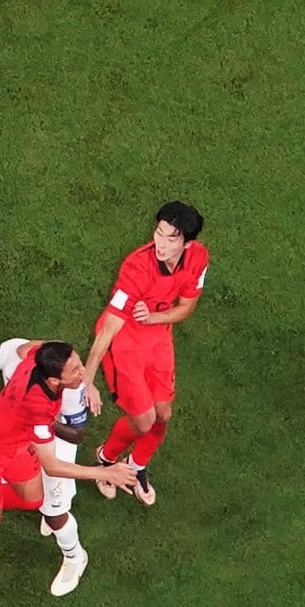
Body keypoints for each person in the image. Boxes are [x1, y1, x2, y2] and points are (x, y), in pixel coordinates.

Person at [0, 340, 137, 596]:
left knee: (40, 500)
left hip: (18, 443)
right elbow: (51, 466)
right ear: (53, 380)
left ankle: (74, 555)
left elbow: (30, 348)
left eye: (79, 364)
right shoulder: (38, 411)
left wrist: (89, 384)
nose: (82, 372)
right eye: (74, 371)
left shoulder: (34, 356)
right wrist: (106, 472)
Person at [81, 202, 210, 506]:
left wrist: (152, 317)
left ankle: (136, 465)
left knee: (163, 415)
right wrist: (87, 379)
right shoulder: (136, 269)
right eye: (158, 233)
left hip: (156, 336)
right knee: (143, 421)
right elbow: (109, 327)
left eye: (170, 239)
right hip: (125, 340)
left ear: (188, 244)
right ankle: (106, 459)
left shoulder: (199, 257)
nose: (160, 244)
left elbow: (187, 307)